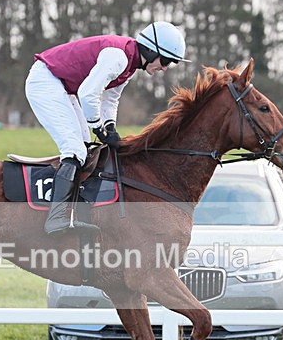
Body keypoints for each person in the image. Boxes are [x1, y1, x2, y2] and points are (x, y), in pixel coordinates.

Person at [25, 21, 190, 235]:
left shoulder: (130, 64)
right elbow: (87, 93)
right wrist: (98, 128)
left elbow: (110, 100)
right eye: (166, 60)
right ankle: (56, 218)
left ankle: (75, 211)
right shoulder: (119, 57)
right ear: (150, 50)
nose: (165, 67)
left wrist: (110, 128)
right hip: (45, 81)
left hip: (62, 86)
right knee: (74, 150)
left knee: (86, 149)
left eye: (171, 63)